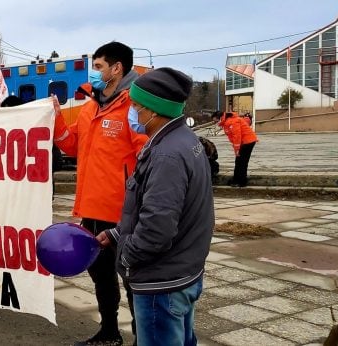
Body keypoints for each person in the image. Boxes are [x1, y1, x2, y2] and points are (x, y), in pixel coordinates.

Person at [98, 67, 214, 346]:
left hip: (161, 284)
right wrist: (117, 234)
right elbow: (161, 208)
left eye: (136, 106)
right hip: (182, 272)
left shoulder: (167, 155)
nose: (133, 113)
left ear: (154, 110)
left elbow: (157, 229)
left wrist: (126, 256)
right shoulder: (183, 140)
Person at [52, 42, 148, 346]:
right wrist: (55, 119)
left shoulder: (135, 106)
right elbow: (71, 145)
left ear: (116, 68)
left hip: (123, 212)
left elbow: (147, 156)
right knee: (101, 277)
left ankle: (142, 339)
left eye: (98, 67)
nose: (94, 73)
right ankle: (109, 332)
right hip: (92, 211)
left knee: (133, 281)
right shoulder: (90, 105)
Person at [212, 111, 258, 187]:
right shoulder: (227, 122)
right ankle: (237, 179)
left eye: (215, 120)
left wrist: (237, 149)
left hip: (247, 142)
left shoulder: (231, 122)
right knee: (240, 161)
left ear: (220, 118)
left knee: (241, 162)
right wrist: (236, 149)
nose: (215, 122)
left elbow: (237, 137)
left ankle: (241, 181)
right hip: (246, 141)